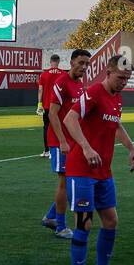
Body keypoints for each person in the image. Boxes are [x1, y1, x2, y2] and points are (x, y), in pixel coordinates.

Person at [60, 55, 134, 265]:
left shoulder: (117, 98)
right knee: (84, 224)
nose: (123, 83)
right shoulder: (94, 92)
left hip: (103, 171)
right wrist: (85, 146)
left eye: (127, 79)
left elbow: (116, 125)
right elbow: (69, 118)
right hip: (81, 170)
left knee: (111, 221)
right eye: (120, 78)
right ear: (108, 72)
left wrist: (131, 148)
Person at [43, 49, 91, 239]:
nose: (84, 67)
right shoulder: (62, 82)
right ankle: (60, 226)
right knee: (65, 182)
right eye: (81, 63)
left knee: (70, 181)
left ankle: (50, 217)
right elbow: (52, 114)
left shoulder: (79, 84)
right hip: (59, 141)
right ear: (71, 62)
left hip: (71, 141)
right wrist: (62, 140)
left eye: (87, 64)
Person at [38, 53, 63, 150]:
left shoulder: (44, 74)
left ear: (50, 62)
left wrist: (39, 104)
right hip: (59, 106)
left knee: (47, 127)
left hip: (47, 105)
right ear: (58, 62)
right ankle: (59, 147)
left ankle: (47, 150)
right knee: (59, 126)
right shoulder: (63, 74)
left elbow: (40, 90)